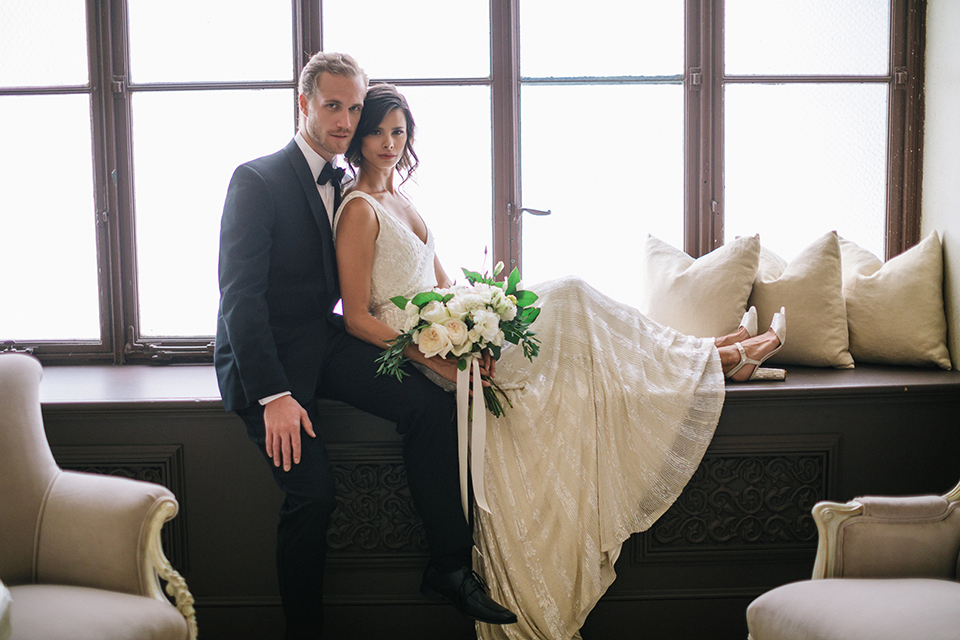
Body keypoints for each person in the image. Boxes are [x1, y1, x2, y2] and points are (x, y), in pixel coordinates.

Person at [332, 83, 786, 640]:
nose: (388, 142)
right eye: (377, 131)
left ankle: (715, 353)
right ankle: (720, 353)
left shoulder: (402, 200)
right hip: (431, 353)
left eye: (398, 131)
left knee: (580, 322)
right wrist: (444, 360)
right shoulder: (357, 210)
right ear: (357, 137)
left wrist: (484, 315)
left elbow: (442, 285)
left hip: (460, 338)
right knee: (571, 295)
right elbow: (357, 316)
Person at [214, 53, 516, 640]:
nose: (346, 120)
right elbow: (239, 299)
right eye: (333, 106)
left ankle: (449, 567)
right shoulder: (257, 179)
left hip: (321, 341)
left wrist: (450, 347)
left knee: (429, 408)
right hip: (269, 362)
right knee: (314, 496)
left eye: (355, 108)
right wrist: (274, 394)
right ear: (304, 104)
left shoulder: (349, 185)